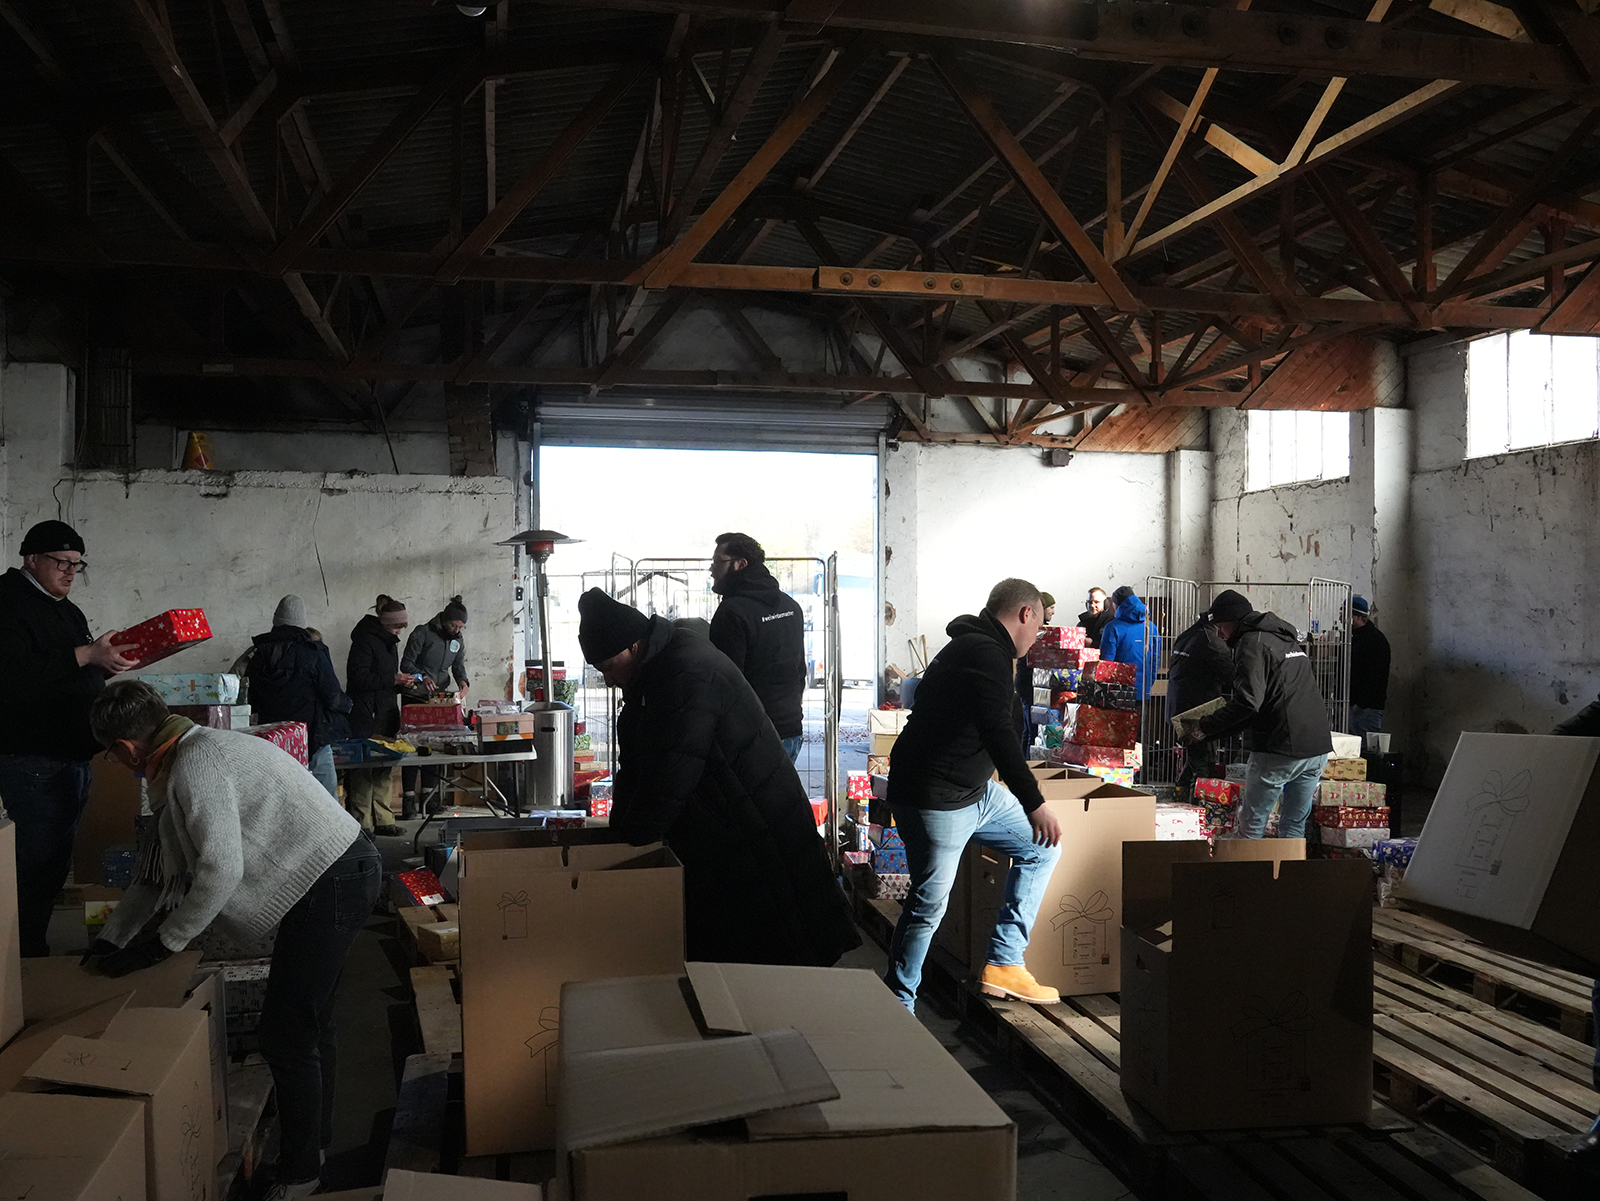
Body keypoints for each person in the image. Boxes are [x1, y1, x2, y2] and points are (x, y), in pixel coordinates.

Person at [82, 679, 381, 1201]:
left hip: (332, 880)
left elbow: (220, 870)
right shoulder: (178, 760)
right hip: (337, 874)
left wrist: (166, 943)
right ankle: (313, 1150)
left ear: (126, 748)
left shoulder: (197, 762)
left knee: (286, 1035)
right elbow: (155, 875)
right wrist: (113, 938)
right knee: (309, 1024)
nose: (116, 761)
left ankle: (301, 1174)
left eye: (111, 754)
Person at [576, 587, 859, 967]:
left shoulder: (684, 672)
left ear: (633, 645)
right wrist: (620, 837)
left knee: (778, 938)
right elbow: (639, 760)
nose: (609, 680)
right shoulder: (658, 670)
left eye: (609, 667)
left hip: (755, 819)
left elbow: (669, 776)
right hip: (732, 816)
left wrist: (627, 848)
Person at [882, 578, 1064, 1013]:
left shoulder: (981, 648)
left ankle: (1004, 963)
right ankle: (896, 1006)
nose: (1037, 636)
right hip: (937, 798)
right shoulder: (983, 653)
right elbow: (997, 732)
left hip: (973, 792)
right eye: (1039, 625)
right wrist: (1034, 802)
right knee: (928, 905)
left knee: (1042, 848)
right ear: (1026, 614)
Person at [0, 520, 138, 957]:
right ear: (31, 558)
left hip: (71, 757)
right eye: (62, 562)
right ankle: (19, 961)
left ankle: (30, 951)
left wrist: (105, 663)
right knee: (33, 864)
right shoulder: (7, 602)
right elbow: (12, 676)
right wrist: (86, 654)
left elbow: (72, 669)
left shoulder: (66, 610)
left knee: (53, 863)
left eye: (77, 564)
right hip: (33, 758)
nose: (70, 572)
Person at [1180, 590, 1333, 839]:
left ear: (1232, 621)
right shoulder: (1283, 637)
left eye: (1221, 626)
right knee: (1293, 825)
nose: (1220, 634)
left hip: (1281, 747)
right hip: (1317, 747)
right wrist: (1210, 732)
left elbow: (1248, 703)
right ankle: (1291, 865)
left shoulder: (1251, 643)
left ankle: (1247, 866)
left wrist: (1204, 727)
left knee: (1252, 824)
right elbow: (1261, 702)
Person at [708, 533, 807, 763]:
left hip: (753, 735)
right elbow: (799, 669)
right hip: (791, 729)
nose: (712, 570)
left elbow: (727, 683)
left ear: (740, 564)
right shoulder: (790, 605)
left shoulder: (732, 612)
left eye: (717, 562)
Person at [246, 595, 353, 800]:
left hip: (273, 738)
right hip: (311, 735)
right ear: (303, 622)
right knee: (326, 799)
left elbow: (250, 699)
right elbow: (332, 695)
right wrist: (347, 704)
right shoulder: (312, 652)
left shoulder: (257, 655)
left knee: (283, 797)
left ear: (276, 620)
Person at [345, 596, 413, 835]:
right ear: (385, 623)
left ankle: (384, 820)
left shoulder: (389, 642)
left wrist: (401, 684)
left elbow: (384, 679)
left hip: (385, 712)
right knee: (363, 770)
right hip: (366, 714)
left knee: (384, 767)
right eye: (397, 627)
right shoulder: (364, 641)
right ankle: (362, 824)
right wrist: (393, 679)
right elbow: (358, 678)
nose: (400, 632)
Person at [401, 596, 469, 811]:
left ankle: (429, 799)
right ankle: (408, 800)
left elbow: (458, 665)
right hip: (415, 696)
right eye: (454, 625)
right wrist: (422, 677)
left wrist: (463, 681)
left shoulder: (457, 640)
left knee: (436, 744)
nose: (456, 630)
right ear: (444, 620)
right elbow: (406, 664)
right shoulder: (422, 633)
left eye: (461, 627)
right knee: (413, 746)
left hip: (439, 697)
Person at [1167, 607, 1235, 802]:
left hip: (1178, 707)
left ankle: (1178, 798)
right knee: (1203, 764)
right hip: (1198, 712)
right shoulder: (1212, 642)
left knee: (1195, 758)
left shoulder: (1187, 635)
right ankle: (1196, 810)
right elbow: (1233, 676)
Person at [1099, 585, 1161, 701]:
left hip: (1119, 692)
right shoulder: (1151, 627)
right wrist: (1149, 683)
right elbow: (1155, 659)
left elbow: (1107, 663)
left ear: (1117, 605)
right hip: (1143, 690)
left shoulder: (1112, 627)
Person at [1014, 591, 1056, 754]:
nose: (1053, 612)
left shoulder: (1042, 631)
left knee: (1030, 730)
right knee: (1033, 729)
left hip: (1034, 684)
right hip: (1030, 684)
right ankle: (1029, 763)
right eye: (1051, 608)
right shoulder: (1035, 631)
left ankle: (1026, 761)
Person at [1349, 596, 1391, 739]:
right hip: (1357, 705)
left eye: (1346, 615)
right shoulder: (1354, 638)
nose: (1341, 619)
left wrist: (1360, 704)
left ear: (1357, 617)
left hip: (1366, 707)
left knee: (1366, 747)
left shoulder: (1375, 641)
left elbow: (1375, 676)